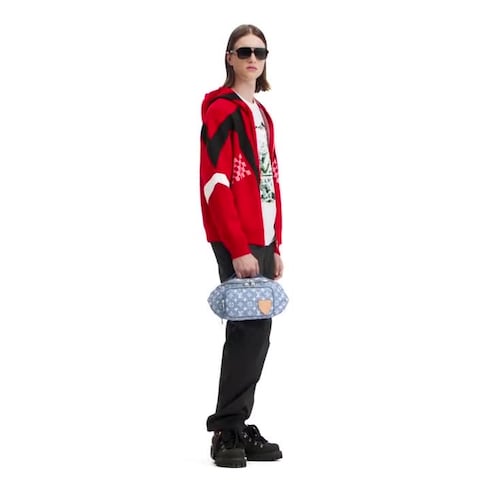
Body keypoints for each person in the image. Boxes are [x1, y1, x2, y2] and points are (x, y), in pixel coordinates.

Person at [199, 24, 285, 468]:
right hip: (238, 237)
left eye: (260, 52)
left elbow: (270, 180)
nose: (253, 58)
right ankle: (226, 430)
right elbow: (215, 181)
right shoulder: (221, 110)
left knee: (257, 334)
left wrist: (276, 242)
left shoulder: (262, 113)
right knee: (246, 331)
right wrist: (237, 246)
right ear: (229, 57)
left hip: (262, 238)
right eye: (244, 51)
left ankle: (237, 423)